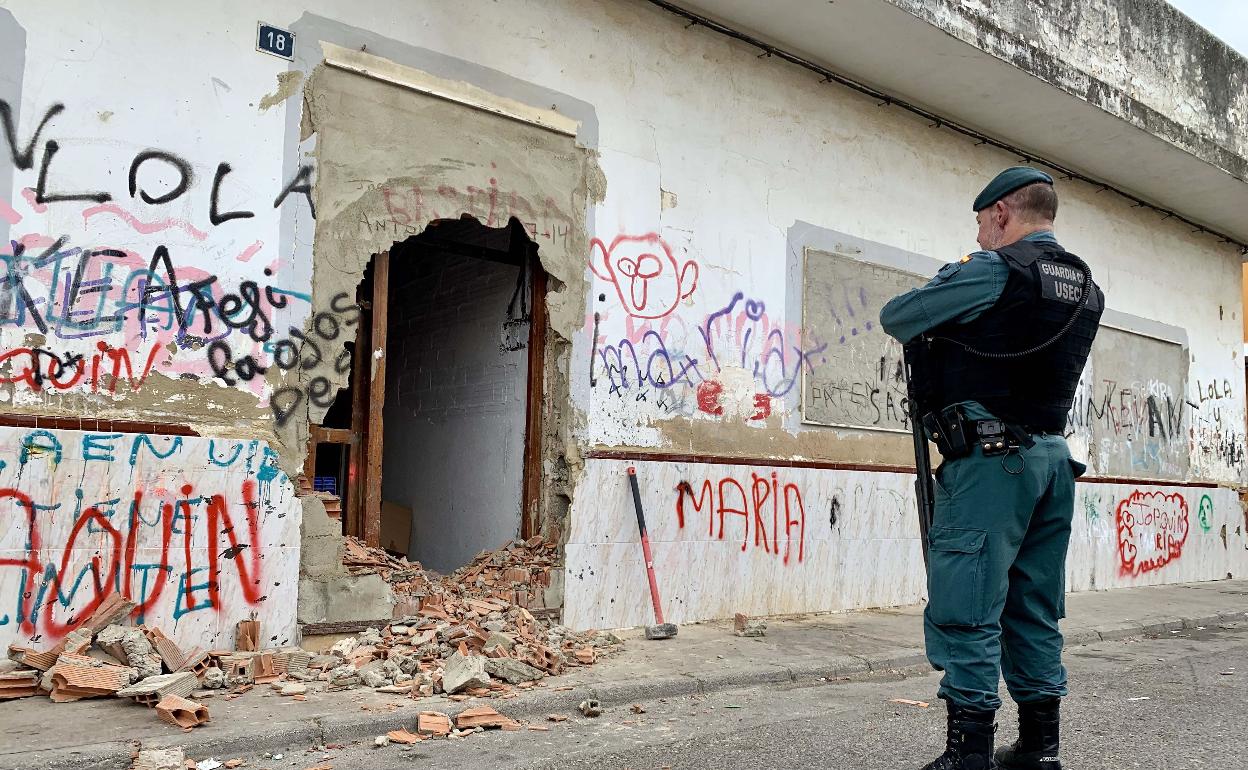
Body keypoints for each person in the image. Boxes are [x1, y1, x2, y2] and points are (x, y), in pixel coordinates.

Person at [879, 167, 1104, 770]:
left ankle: (969, 751)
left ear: (1002, 212)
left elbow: (899, 315)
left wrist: (954, 278)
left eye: (981, 221)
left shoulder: (993, 270)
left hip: (990, 465)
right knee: (1032, 605)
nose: (979, 235)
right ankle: (1039, 747)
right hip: (1053, 463)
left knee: (968, 602)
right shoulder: (1085, 285)